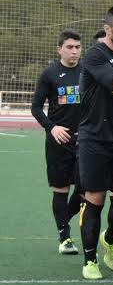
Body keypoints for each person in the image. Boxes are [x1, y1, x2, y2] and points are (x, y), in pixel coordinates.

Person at [77, 6, 113, 280]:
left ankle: (110, 238)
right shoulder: (95, 56)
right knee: (95, 197)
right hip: (94, 139)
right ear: (108, 28)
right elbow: (112, 82)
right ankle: (90, 260)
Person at [31, 30, 83, 255]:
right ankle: (64, 237)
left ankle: (64, 218)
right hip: (58, 140)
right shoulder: (50, 74)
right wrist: (52, 127)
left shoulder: (87, 72)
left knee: (85, 190)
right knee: (61, 189)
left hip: (85, 141)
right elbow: (35, 107)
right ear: (59, 49)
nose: (74, 51)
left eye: (78, 47)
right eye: (70, 47)